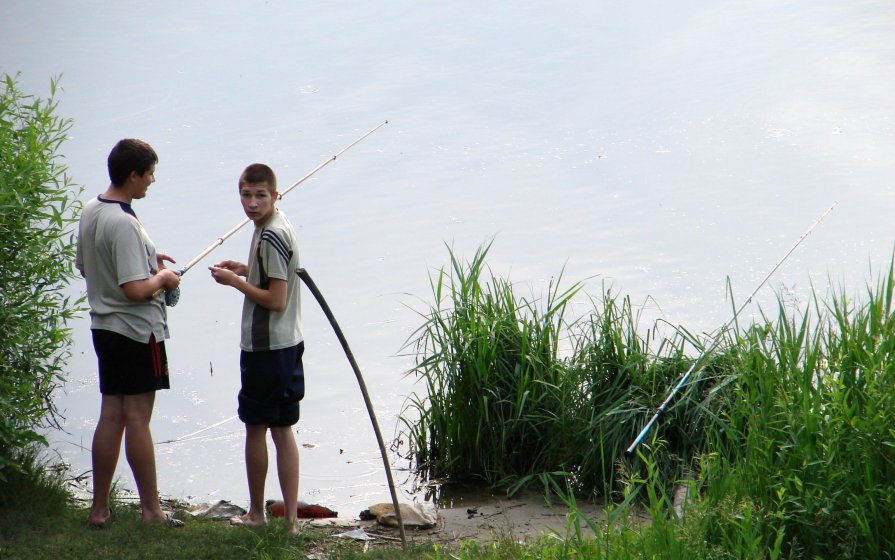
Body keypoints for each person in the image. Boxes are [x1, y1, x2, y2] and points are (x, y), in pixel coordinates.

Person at [75, 138, 183, 528]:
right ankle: (152, 512)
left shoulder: (92, 210)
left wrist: (146, 261)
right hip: (137, 334)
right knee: (137, 419)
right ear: (132, 175)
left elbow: (87, 266)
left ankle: (99, 509)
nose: (152, 180)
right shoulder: (123, 222)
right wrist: (164, 279)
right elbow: (135, 290)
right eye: (149, 173)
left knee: (111, 416)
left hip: (104, 329)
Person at [209, 163, 305, 534]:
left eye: (260, 195)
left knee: (256, 427)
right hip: (289, 344)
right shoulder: (279, 225)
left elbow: (276, 300)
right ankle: (292, 523)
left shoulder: (269, 236)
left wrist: (235, 282)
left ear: (275, 195)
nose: (251, 203)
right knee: (283, 429)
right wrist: (247, 270)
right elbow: (272, 275)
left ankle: (257, 513)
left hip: (267, 348)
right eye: (246, 195)